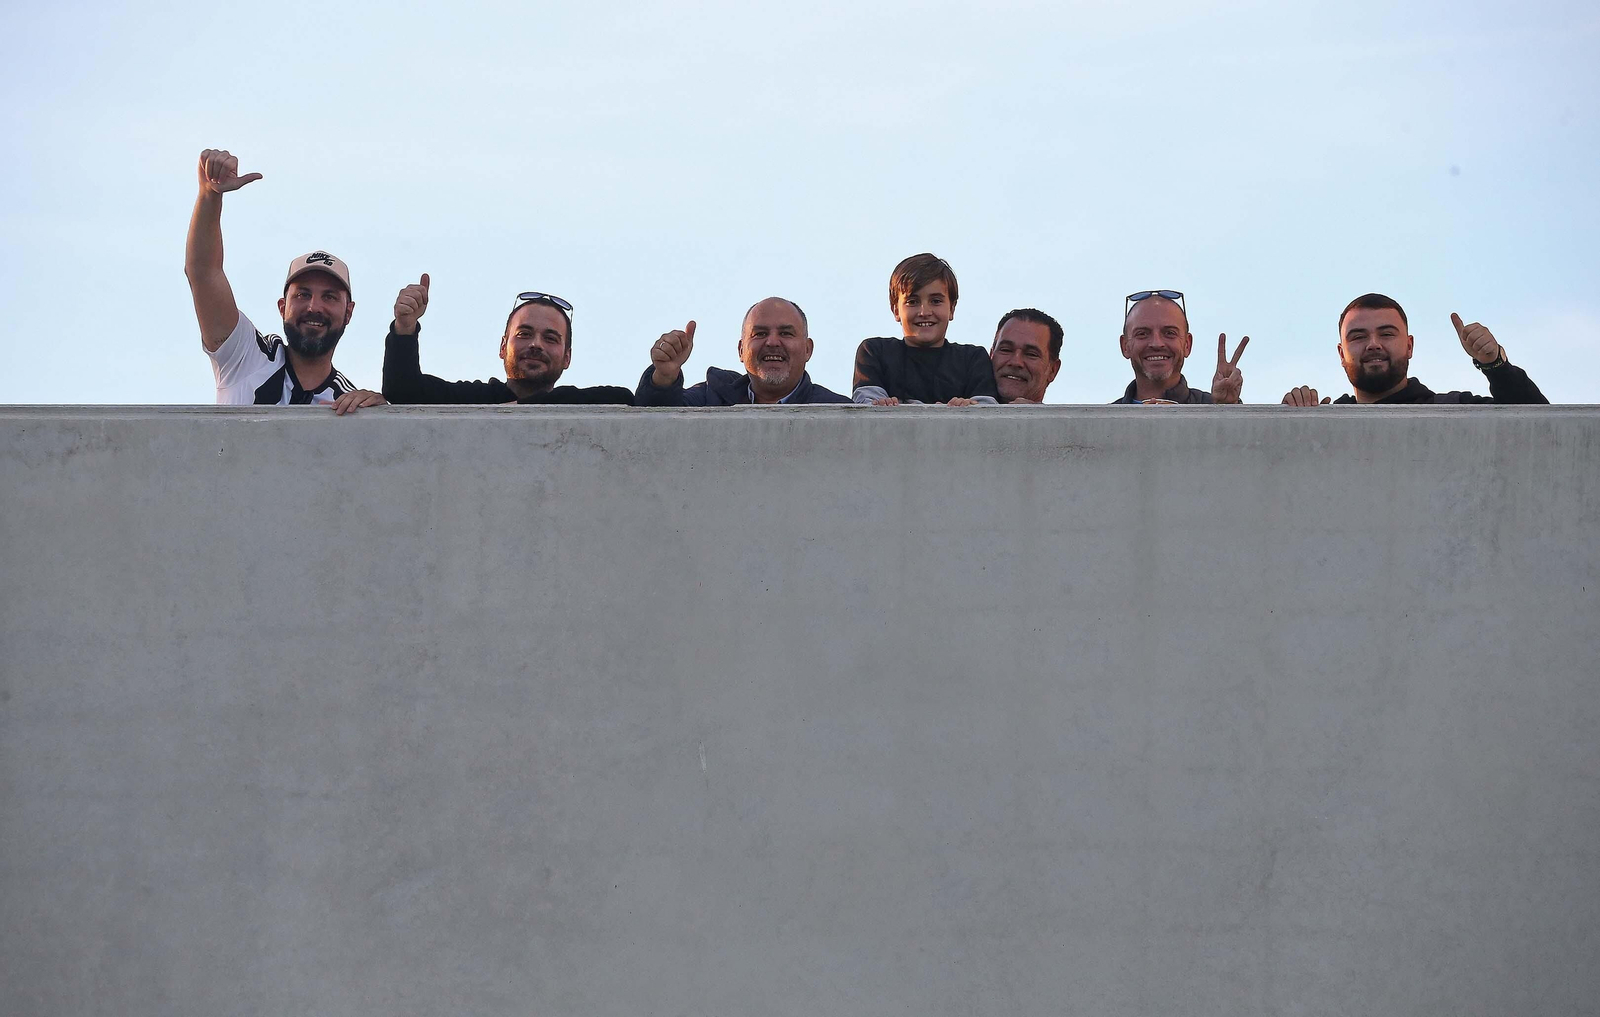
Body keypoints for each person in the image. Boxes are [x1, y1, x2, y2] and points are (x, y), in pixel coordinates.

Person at [184, 149, 384, 414]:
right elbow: (203, 272)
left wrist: (384, 417)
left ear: (349, 312)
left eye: (330, 296)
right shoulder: (243, 356)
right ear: (282, 306)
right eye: (302, 294)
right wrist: (210, 194)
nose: (314, 307)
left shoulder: (351, 404)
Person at [381, 280, 633, 404]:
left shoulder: (592, 405)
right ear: (503, 347)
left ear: (567, 357)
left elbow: (626, 399)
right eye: (524, 334)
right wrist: (405, 327)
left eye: (550, 338)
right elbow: (402, 390)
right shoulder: (473, 400)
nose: (536, 345)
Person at [1283, 293, 1548, 406]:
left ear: (1409, 346)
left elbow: (1544, 427)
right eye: (1359, 336)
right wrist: (1240, 409)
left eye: (1386, 334)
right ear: (1342, 354)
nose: (1373, 344)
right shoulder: (1323, 423)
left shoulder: (1455, 411)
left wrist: (1495, 365)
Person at [636, 297, 850, 405]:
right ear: (741, 350)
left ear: (807, 349)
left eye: (785, 333)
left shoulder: (840, 412)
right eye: (760, 334)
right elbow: (651, 423)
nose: (772, 342)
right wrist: (664, 377)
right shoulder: (710, 399)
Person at [851, 254, 998, 406]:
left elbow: (988, 414)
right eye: (912, 302)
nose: (924, 312)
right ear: (895, 310)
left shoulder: (973, 359)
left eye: (935, 301)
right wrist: (883, 407)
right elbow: (866, 409)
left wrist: (966, 409)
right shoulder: (874, 352)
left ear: (952, 309)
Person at [1112, 290, 1247, 404]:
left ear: (1187, 344)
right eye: (1142, 334)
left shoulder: (1211, 407)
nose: (1157, 343)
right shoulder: (1102, 422)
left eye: (1169, 333)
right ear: (1125, 346)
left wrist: (1228, 410)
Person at [989, 308, 1063, 404]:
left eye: (1031, 354)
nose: (1016, 362)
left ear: (1053, 370)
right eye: (1006, 350)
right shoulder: (964, 407)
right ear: (991, 355)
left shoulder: (1074, 418)